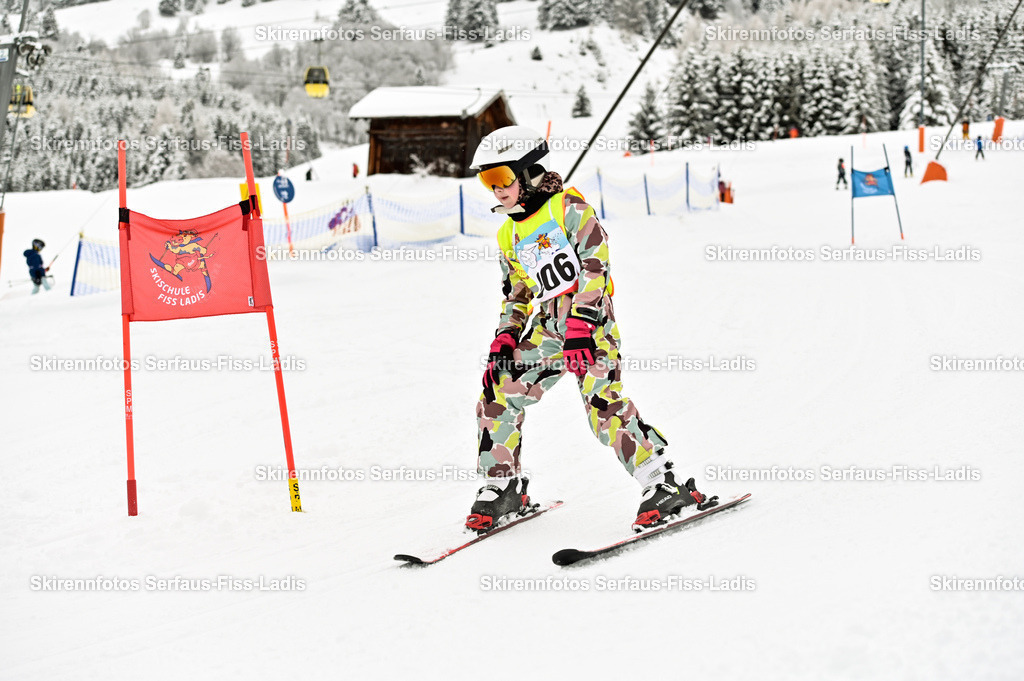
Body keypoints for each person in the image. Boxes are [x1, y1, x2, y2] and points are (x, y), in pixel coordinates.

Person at [465, 126, 715, 533]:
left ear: (527, 174)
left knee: (602, 406)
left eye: (502, 178)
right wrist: (506, 335)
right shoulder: (509, 232)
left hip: (590, 325)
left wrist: (582, 323)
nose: (496, 190)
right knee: (498, 389)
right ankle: (503, 486)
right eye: (487, 181)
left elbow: (596, 268)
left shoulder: (569, 209)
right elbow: (517, 292)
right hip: (546, 330)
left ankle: (663, 483)